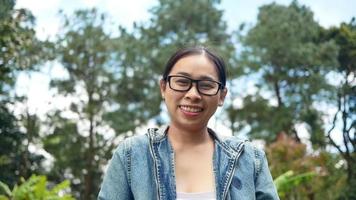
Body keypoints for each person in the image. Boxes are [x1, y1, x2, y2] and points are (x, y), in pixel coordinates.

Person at [98, 46, 279, 200]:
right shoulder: (131, 155)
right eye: (182, 82)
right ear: (163, 88)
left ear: (222, 96)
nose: (193, 94)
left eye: (206, 85)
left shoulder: (249, 158)